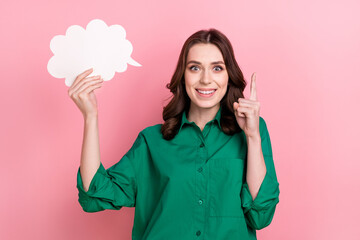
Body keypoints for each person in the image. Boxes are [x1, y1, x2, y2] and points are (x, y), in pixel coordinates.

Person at [69, 28, 280, 240]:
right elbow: (94, 193)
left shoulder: (252, 132)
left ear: (229, 75)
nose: (206, 79)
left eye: (217, 68)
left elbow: (260, 216)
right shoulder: (151, 142)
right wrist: (91, 116)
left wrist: (252, 137)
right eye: (195, 67)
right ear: (183, 75)